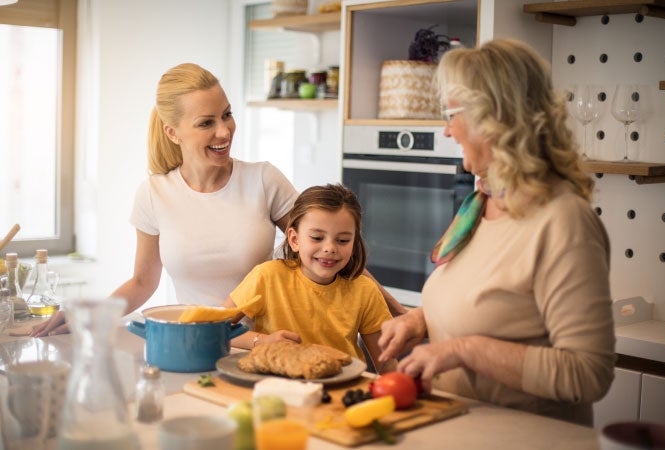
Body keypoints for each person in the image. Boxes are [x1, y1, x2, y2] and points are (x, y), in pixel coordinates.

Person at [31, 63, 407, 337]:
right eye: (206, 122)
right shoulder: (154, 193)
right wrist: (92, 312)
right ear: (173, 132)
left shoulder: (263, 179)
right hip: (191, 340)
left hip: (265, 344)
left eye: (227, 115)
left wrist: (399, 311)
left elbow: (326, 246)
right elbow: (143, 281)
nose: (225, 131)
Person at [377, 39, 615, 425]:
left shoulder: (563, 221)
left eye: (451, 114)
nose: (446, 131)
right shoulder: (481, 200)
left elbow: (588, 374)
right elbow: (490, 303)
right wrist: (421, 321)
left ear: (495, 118)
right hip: (457, 427)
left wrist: (464, 350)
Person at [223, 184, 397, 374]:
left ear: (354, 243)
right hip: (279, 384)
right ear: (295, 240)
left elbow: (387, 364)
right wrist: (261, 341)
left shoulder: (365, 290)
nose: (330, 248)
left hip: (343, 389)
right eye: (317, 237)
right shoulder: (267, 276)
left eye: (343, 240)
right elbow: (216, 329)